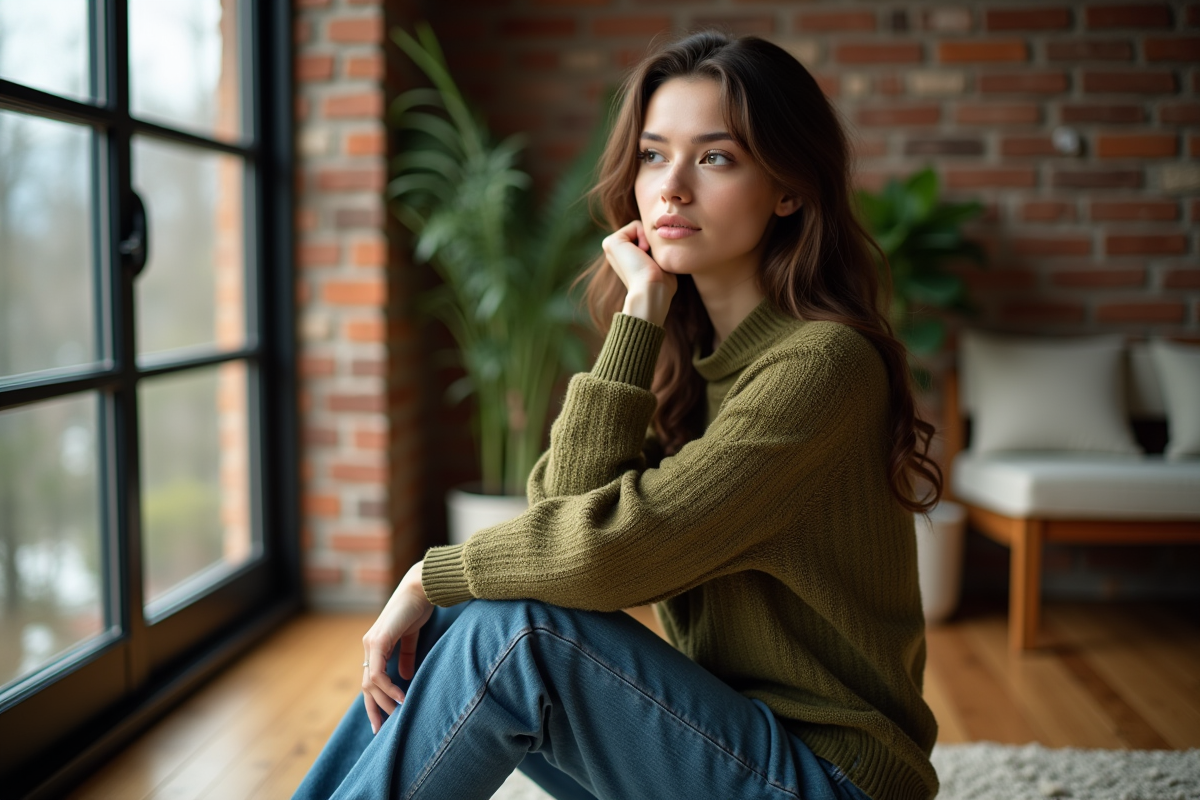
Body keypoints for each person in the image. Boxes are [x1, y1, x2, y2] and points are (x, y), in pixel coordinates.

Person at [294, 30, 943, 800]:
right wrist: (638, 319)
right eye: (652, 154)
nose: (671, 187)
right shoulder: (694, 358)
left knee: (512, 633)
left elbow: (610, 553)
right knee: (472, 629)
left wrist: (432, 575)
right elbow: (559, 523)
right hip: (731, 745)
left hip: (829, 782)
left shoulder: (822, 367)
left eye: (716, 157)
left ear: (789, 189)